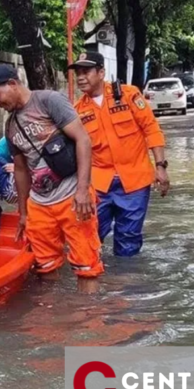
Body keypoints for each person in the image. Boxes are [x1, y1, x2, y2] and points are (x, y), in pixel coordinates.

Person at [0, 65, 103, 293]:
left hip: (72, 195)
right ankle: (50, 320)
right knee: (44, 267)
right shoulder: (10, 126)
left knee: (86, 265)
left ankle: (88, 320)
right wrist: (23, 213)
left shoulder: (49, 101)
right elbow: (21, 170)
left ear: (12, 84)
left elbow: (83, 140)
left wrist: (83, 190)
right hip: (40, 204)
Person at [70, 51, 170, 257]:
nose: (80, 77)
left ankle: (126, 283)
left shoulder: (129, 95)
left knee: (129, 241)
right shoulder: (76, 111)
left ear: (101, 72)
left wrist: (160, 166)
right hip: (98, 184)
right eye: (77, 72)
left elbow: (151, 129)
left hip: (134, 181)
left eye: (86, 71)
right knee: (90, 236)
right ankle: (93, 283)